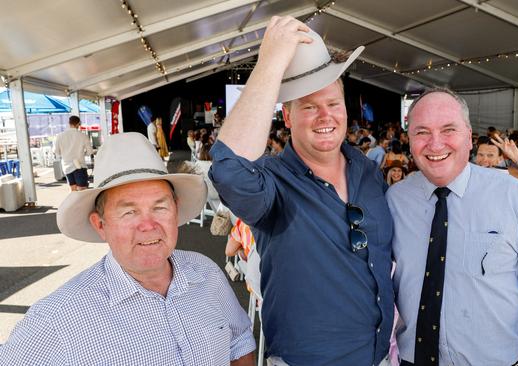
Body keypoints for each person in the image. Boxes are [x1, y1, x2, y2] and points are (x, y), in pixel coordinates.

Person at [210, 17, 393, 366]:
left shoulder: (368, 172)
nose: (325, 115)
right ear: (288, 118)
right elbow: (229, 171)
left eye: (333, 104)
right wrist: (271, 63)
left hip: (379, 357)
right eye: (308, 106)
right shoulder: (271, 182)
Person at [0, 132, 255, 365]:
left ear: (175, 210)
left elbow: (239, 341)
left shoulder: (206, 272)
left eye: (159, 207)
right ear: (101, 225)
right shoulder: (58, 319)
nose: (148, 225)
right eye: (129, 212)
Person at [387, 87, 518, 366]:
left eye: (448, 129)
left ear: (468, 136)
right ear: (409, 138)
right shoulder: (395, 199)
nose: (435, 144)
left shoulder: (511, 195)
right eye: (422, 132)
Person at [54, 115, 92, 191]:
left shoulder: (59, 136)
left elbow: (56, 152)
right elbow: (90, 152)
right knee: (82, 191)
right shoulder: (83, 136)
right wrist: (82, 154)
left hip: (67, 166)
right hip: (79, 166)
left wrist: (66, 154)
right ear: (78, 124)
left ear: (69, 123)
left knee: (73, 190)